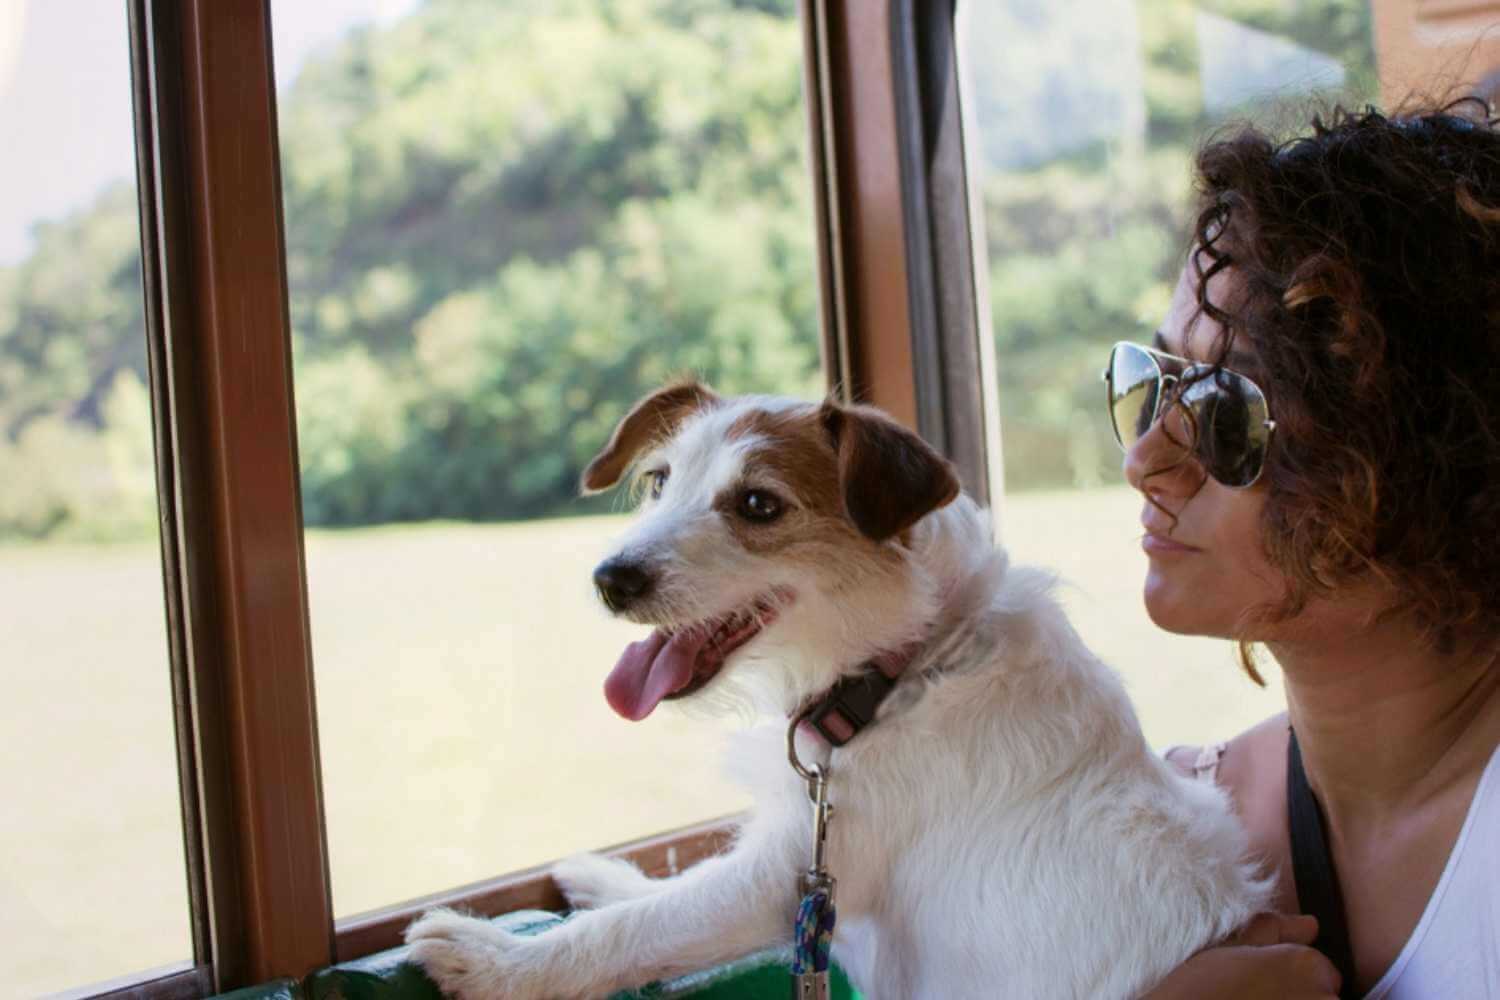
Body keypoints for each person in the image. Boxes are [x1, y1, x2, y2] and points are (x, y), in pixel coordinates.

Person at [1117, 102, 1500, 999]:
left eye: (1222, 413)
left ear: (1425, 458)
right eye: (1154, 380)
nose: (1146, 462)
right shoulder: (1177, 820)